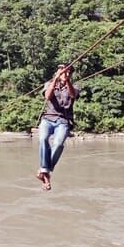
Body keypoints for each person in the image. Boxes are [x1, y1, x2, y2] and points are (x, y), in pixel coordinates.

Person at [36, 63, 79, 191]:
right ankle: (46, 172)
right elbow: (47, 96)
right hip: (48, 118)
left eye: (68, 72)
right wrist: (55, 79)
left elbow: (72, 96)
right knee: (43, 139)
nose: (65, 73)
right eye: (63, 71)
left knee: (58, 144)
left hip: (63, 120)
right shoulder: (49, 84)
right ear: (57, 71)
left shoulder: (74, 86)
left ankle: (45, 171)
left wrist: (67, 82)